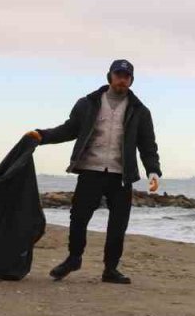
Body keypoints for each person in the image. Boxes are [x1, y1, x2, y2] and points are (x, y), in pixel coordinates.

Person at [27, 59, 162, 285]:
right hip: (90, 169)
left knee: (118, 223)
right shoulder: (87, 103)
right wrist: (42, 136)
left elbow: (148, 145)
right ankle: (74, 258)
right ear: (109, 76)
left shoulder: (140, 111)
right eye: (118, 75)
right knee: (78, 217)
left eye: (126, 76)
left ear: (131, 80)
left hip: (121, 175)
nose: (122, 79)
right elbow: (69, 129)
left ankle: (110, 269)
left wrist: (153, 171)